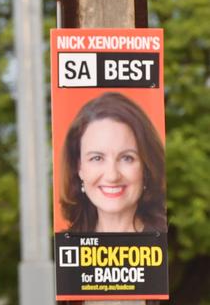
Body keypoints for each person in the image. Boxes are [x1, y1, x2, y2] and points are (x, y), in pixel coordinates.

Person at [60, 92, 167, 233]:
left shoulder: (168, 244)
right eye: (97, 158)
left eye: (127, 158)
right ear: (78, 166)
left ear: (146, 167)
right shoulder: (64, 247)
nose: (112, 176)